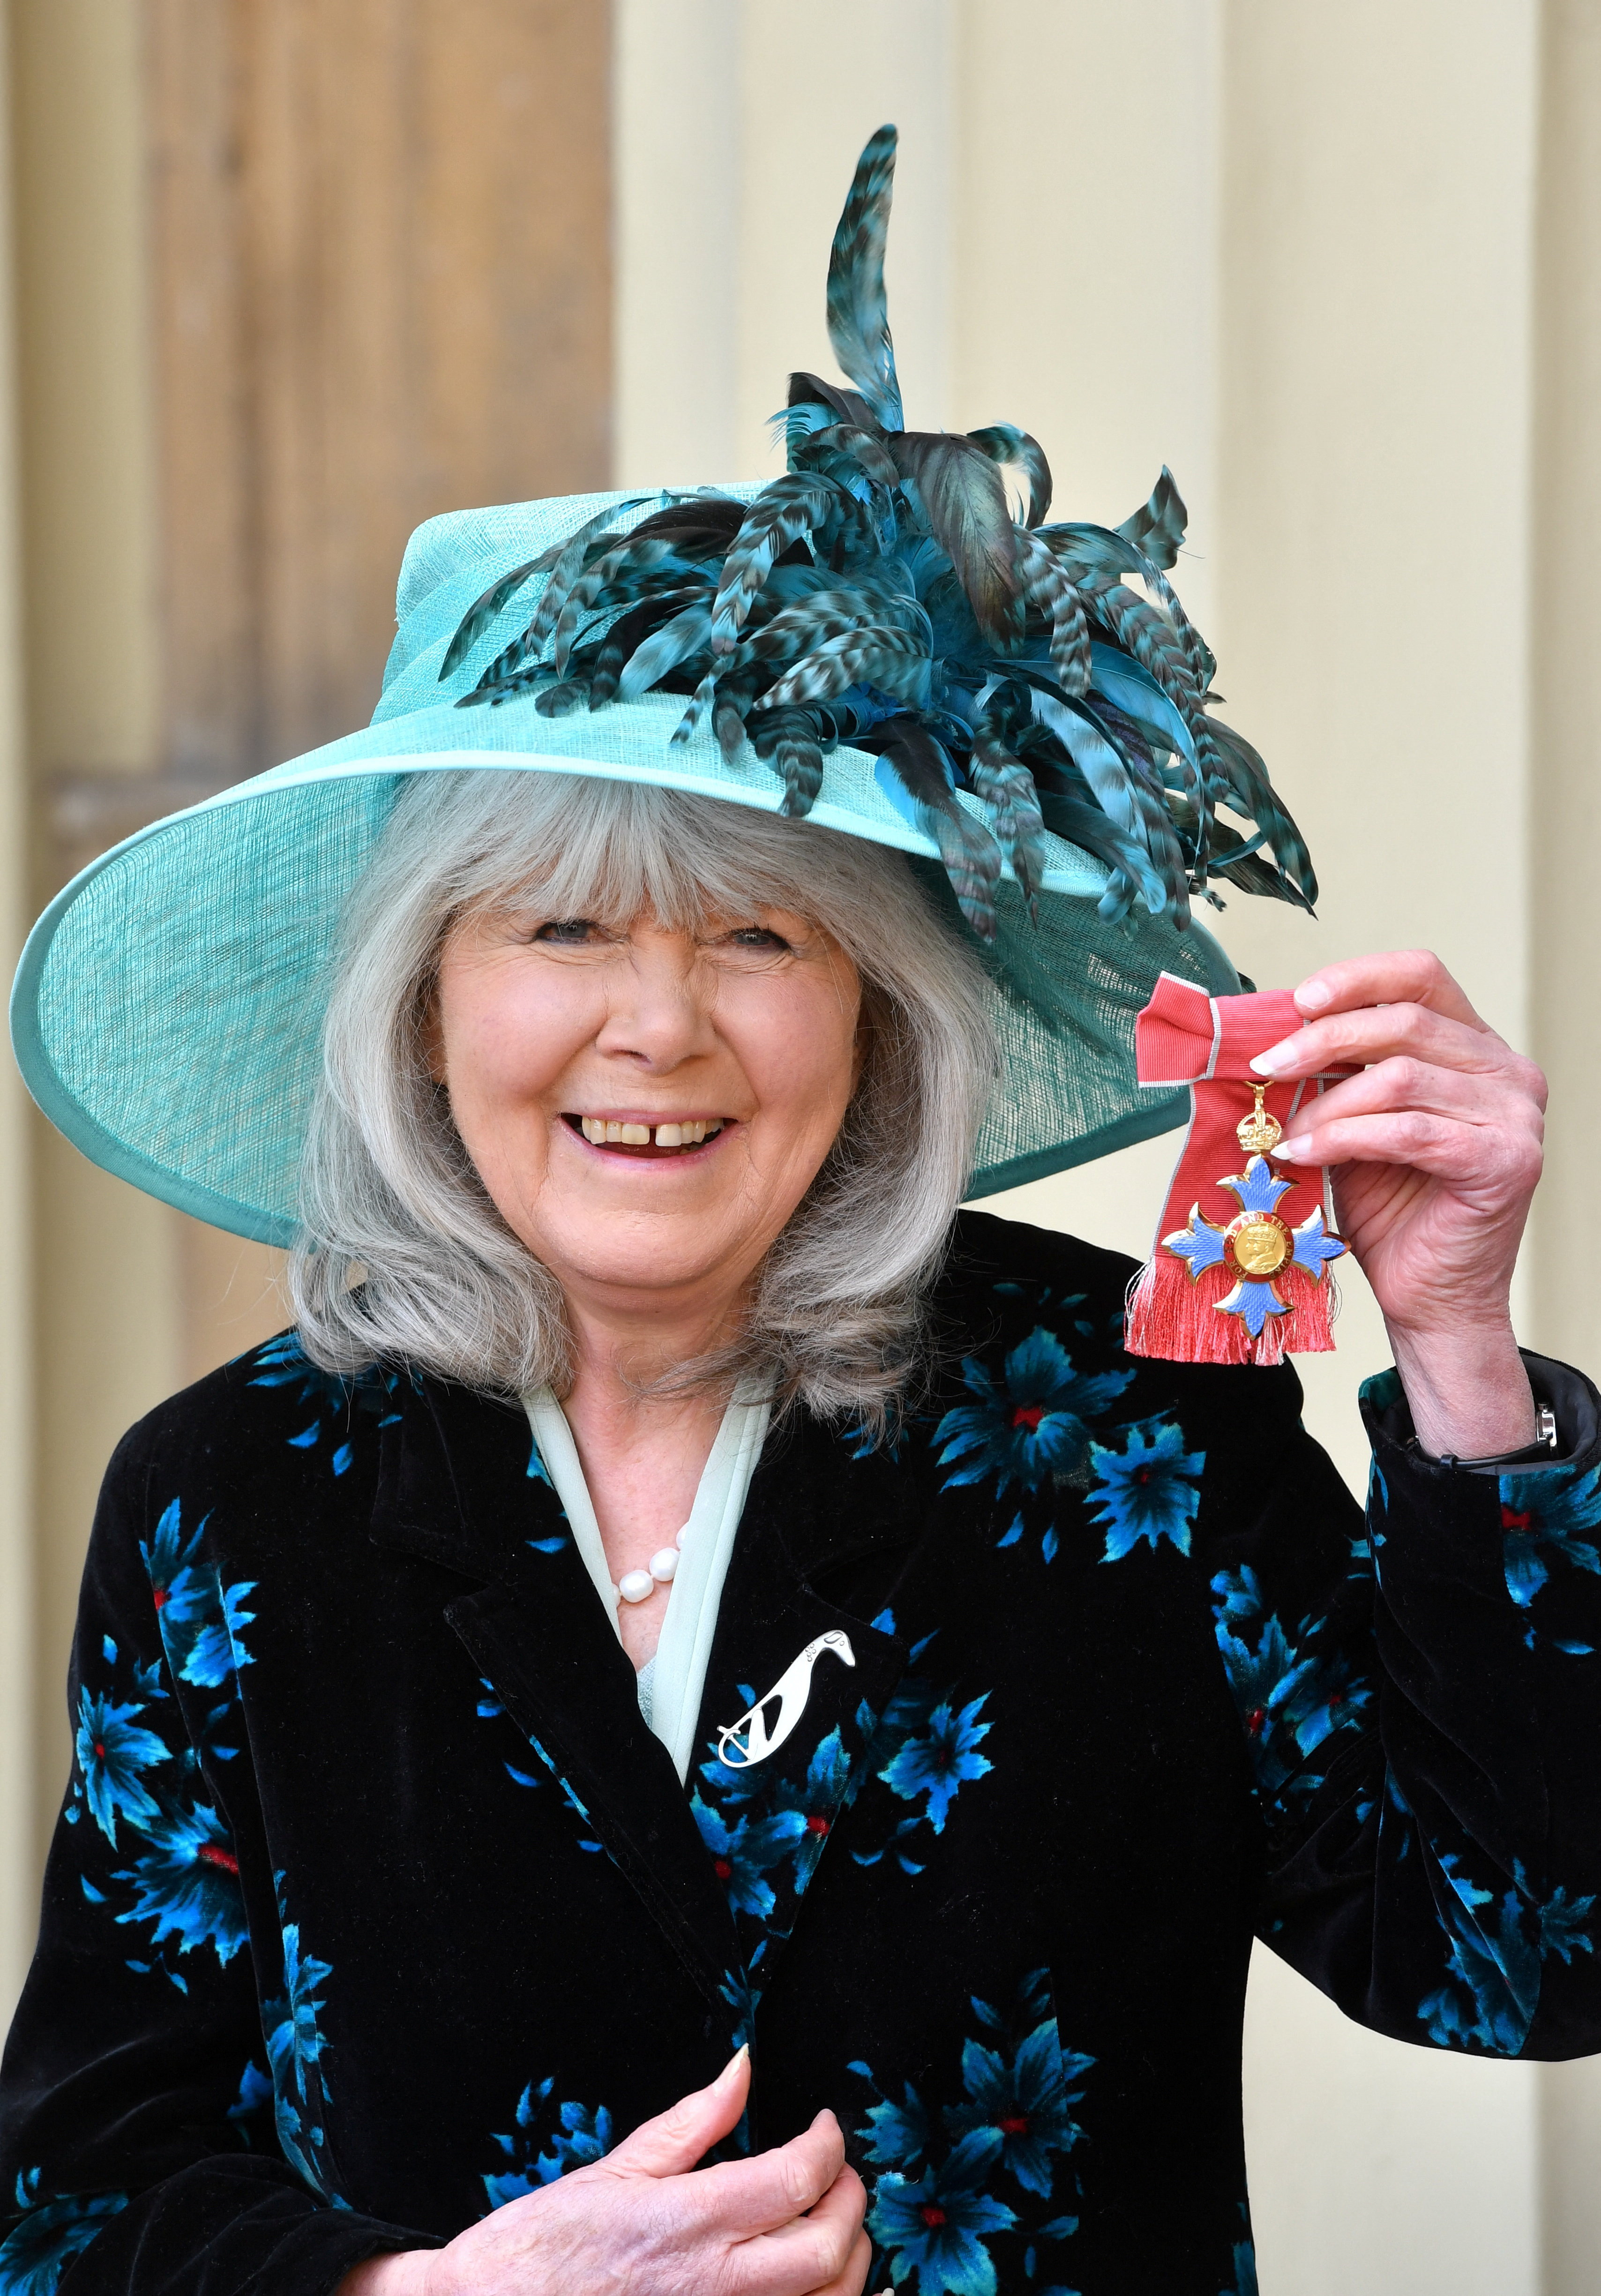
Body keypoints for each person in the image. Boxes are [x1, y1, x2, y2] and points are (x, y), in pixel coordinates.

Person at [0, 128, 1595, 2296]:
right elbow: (75, 2194)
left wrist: (1456, 1355)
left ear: (876, 1011)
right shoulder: (237, 1493)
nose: (655, 1029)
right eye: (560, 926)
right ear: (423, 1005)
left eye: (755, 936)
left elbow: (1516, 1956)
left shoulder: (1116, 1420)